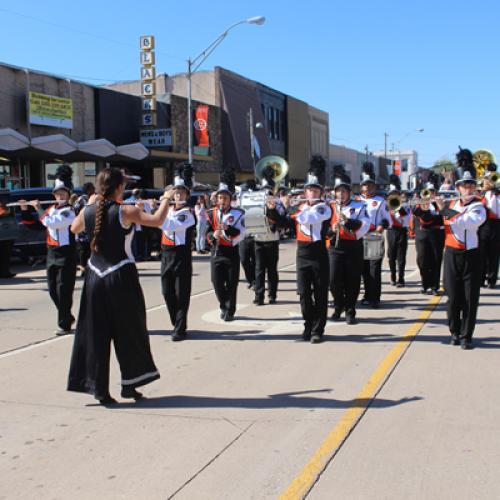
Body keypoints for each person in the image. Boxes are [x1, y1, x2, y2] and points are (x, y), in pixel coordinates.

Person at [67, 168, 170, 405]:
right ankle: (130, 385)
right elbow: (158, 220)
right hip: (120, 276)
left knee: (94, 333)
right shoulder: (126, 210)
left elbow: (74, 228)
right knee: (129, 332)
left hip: (94, 278)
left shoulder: (89, 209)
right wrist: (166, 198)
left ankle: (97, 388)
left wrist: (90, 204)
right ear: (119, 188)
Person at [20, 176, 77, 335]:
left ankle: (64, 324)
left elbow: (53, 223)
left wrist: (38, 209)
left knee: (63, 290)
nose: (60, 197)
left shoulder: (70, 211)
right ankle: (67, 315)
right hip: (51, 253)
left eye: (63, 194)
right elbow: (37, 225)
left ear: (67, 194)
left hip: (66, 254)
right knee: (53, 290)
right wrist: (25, 211)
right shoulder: (50, 209)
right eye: (57, 194)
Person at [436, 170, 486, 349]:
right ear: (458, 187)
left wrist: (445, 210)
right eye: (465, 185)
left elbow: (467, 222)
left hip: (470, 255)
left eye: (471, 185)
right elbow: (432, 220)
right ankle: (454, 332)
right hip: (451, 254)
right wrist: (424, 209)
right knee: (452, 298)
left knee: (470, 298)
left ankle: (466, 336)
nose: (468, 188)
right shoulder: (450, 203)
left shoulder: (479, 206)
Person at [287, 174, 331, 343]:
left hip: (318, 253)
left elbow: (309, 219)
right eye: (309, 190)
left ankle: (318, 329)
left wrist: (293, 211)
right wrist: (273, 210)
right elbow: (287, 223)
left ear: (320, 192)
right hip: (302, 253)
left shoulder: (324, 207)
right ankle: (308, 324)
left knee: (320, 293)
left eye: (315, 190)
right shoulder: (301, 207)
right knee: (303, 293)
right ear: (305, 192)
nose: (311, 193)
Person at [328, 175, 370, 324]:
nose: (341, 194)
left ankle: (350, 310)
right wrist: (331, 230)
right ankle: (338, 305)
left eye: (344, 191)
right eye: (338, 191)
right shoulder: (330, 206)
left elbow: (363, 224)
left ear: (349, 192)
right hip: (335, 246)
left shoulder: (359, 206)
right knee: (333, 280)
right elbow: (323, 228)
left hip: (353, 246)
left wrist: (347, 221)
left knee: (352, 280)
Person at [159, 177, 196, 341]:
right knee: (167, 292)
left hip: (180, 255)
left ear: (187, 196)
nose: (178, 196)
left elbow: (169, 225)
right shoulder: (167, 210)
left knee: (181, 293)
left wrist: (160, 207)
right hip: (166, 254)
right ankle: (177, 323)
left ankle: (180, 328)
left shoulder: (187, 213)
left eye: (181, 193)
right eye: (176, 193)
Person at [205, 182, 246, 322]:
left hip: (231, 251)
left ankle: (230, 310)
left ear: (230, 200)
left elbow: (242, 233)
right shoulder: (211, 213)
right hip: (216, 251)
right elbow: (207, 232)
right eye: (220, 198)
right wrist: (212, 236)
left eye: (225, 198)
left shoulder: (238, 213)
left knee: (231, 283)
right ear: (217, 199)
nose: (222, 201)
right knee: (216, 282)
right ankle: (223, 304)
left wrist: (228, 228)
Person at [358, 164, 391, 308]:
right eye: (365, 185)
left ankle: (375, 298)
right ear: (361, 186)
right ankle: (366, 295)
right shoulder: (356, 201)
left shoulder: (380, 201)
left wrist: (381, 226)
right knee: (363, 269)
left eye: (370, 185)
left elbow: (388, 220)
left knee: (374, 269)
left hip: (374, 237)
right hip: (359, 237)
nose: (368, 188)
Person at [253, 189, 287, 305]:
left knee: (272, 270)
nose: (267, 198)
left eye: (269, 196)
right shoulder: (256, 207)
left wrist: (272, 210)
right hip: (259, 241)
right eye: (265, 196)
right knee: (259, 270)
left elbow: (282, 223)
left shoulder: (278, 207)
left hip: (272, 241)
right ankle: (259, 296)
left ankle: (272, 295)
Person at [412, 183, 445, 295]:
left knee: (436, 260)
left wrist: (441, 206)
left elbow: (446, 216)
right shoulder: (419, 205)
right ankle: (425, 284)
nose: (430, 194)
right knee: (422, 261)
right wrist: (423, 206)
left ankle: (435, 286)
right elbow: (419, 214)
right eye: (427, 192)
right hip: (422, 235)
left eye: (432, 191)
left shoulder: (439, 204)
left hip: (437, 235)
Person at [386, 181, 410, 287]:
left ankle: (401, 279)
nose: (394, 196)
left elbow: (406, 220)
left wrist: (398, 208)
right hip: (391, 232)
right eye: (392, 194)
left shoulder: (404, 207)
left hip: (402, 232)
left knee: (401, 257)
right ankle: (393, 277)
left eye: (396, 194)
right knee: (391, 256)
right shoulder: (386, 207)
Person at [478, 170, 499, 288]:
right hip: (483, 226)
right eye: (487, 179)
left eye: (491, 179)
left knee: (494, 254)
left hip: (496, 225)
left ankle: (491, 280)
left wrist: (495, 193)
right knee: (481, 254)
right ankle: (480, 279)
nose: (489, 182)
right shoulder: (480, 195)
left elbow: (497, 212)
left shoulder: (498, 195)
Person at [73, 182, 95, 275]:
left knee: (83, 250)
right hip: (86, 230)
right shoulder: (85, 199)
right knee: (86, 250)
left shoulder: (79, 200)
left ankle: (85, 268)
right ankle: (84, 268)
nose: (94, 190)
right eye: (93, 188)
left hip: (82, 229)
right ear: (89, 189)